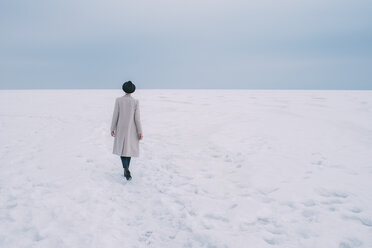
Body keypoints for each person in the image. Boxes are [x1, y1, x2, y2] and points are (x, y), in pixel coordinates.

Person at [110, 81, 143, 180]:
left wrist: (112, 128)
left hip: (120, 128)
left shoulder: (118, 100)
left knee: (122, 149)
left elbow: (115, 115)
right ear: (133, 90)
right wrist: (139, 131)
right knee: (128, 149)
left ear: (124, 89)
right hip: (131, 128)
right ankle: (127, 168)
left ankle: (125, 168)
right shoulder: (135, 101)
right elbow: (137, 118)